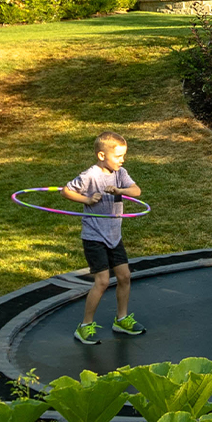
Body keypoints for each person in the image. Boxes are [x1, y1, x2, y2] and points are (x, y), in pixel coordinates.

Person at [62, 131, 146, 345]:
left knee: (125, 276)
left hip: (114, 235)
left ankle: (122, 319)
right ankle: (84, 326)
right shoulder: (90, 175)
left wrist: (120, 190)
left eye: (123, 155)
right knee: (102, 281)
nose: (122, 160)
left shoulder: (120, 173)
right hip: (94, 236)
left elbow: (136, 191)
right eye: (118, 156)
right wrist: (87, 199)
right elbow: (66, 191)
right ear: (101, 155)